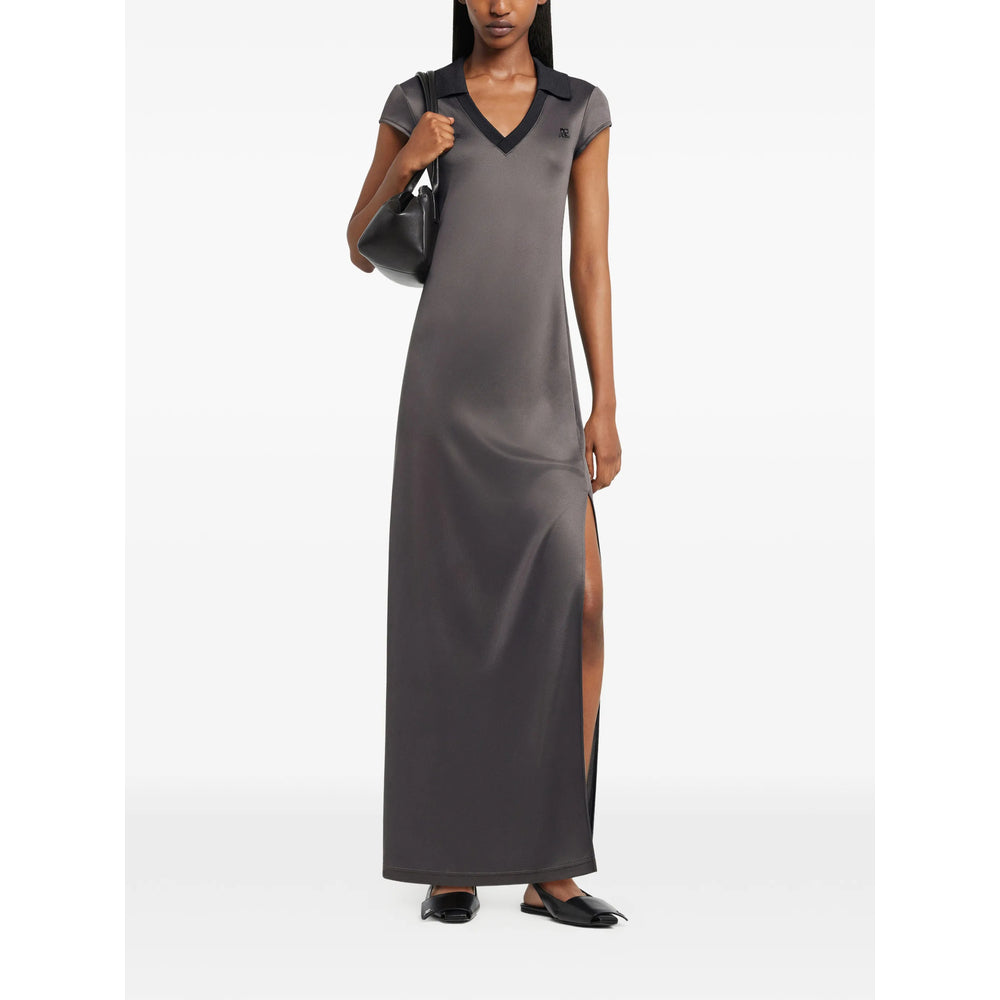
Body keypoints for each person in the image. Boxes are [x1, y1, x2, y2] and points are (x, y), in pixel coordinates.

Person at [347, 0, 626, 928]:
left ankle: (553, 865)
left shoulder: (579, 107)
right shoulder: (419, 99)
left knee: (581, 607)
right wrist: (409, 161)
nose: (500, 3)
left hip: (542, 400)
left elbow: (590, 261)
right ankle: (450, 860)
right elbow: (358, 244)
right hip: (445, 405)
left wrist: (605, 401)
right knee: (447, 626)